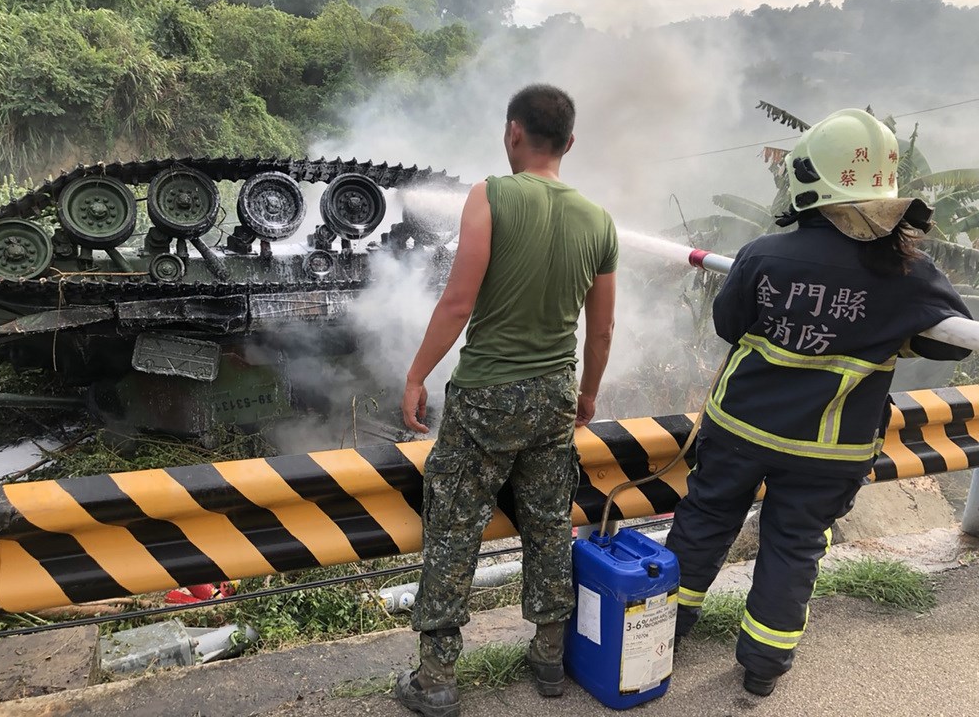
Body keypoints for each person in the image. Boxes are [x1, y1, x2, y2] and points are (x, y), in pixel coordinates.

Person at [665, 108, 973, 697]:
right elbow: (944, 336)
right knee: (794, 546)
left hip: (741, 429)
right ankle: (762, 668)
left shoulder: (765, 253)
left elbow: (731, 324)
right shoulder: (911, 270)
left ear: (808, 180)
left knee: (704, 523)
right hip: (828, 449)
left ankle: (665, 630)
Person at [395, 84, 618, 717]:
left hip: (487, 395)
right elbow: (600, 330)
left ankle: (436, 679)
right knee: (548, 522)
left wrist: (417, 376)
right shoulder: (599, 220)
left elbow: (459, 302)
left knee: (453, 529)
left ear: (511, 132)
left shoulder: (489, 195)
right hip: (554, 396)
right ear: (569, 143)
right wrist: (588, 394)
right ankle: (550, 657)